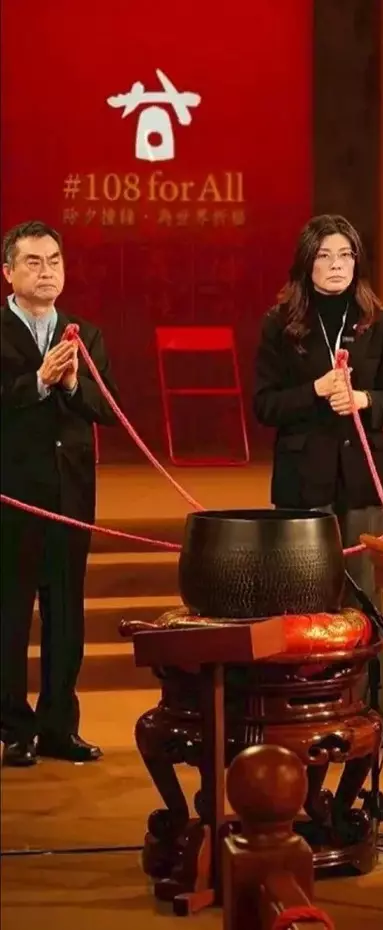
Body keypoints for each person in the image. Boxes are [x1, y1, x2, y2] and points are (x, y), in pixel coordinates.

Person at [253, 214, 383, 736]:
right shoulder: (280, 323)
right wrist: (315, 392)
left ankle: (373, 714)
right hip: (304, 480)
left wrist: (363, 399)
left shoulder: (377, 321)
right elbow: (265, 405)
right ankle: (310, 712)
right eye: (325, 256)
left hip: (362, 479)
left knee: (366, 600)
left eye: (345, 255)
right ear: (307, 263)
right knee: (308, 600)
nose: (336, 265)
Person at [1, 220, 119, 767]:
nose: (46, 271)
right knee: (11, 612)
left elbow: (107, 406)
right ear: (8, 272)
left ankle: (58, 726)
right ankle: (13, 728)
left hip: (71, 493)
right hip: (13, 494)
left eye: (54, 261)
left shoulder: (84, 333)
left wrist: (71, 384)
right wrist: (38, 383)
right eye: (33, 262)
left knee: (66, 613)